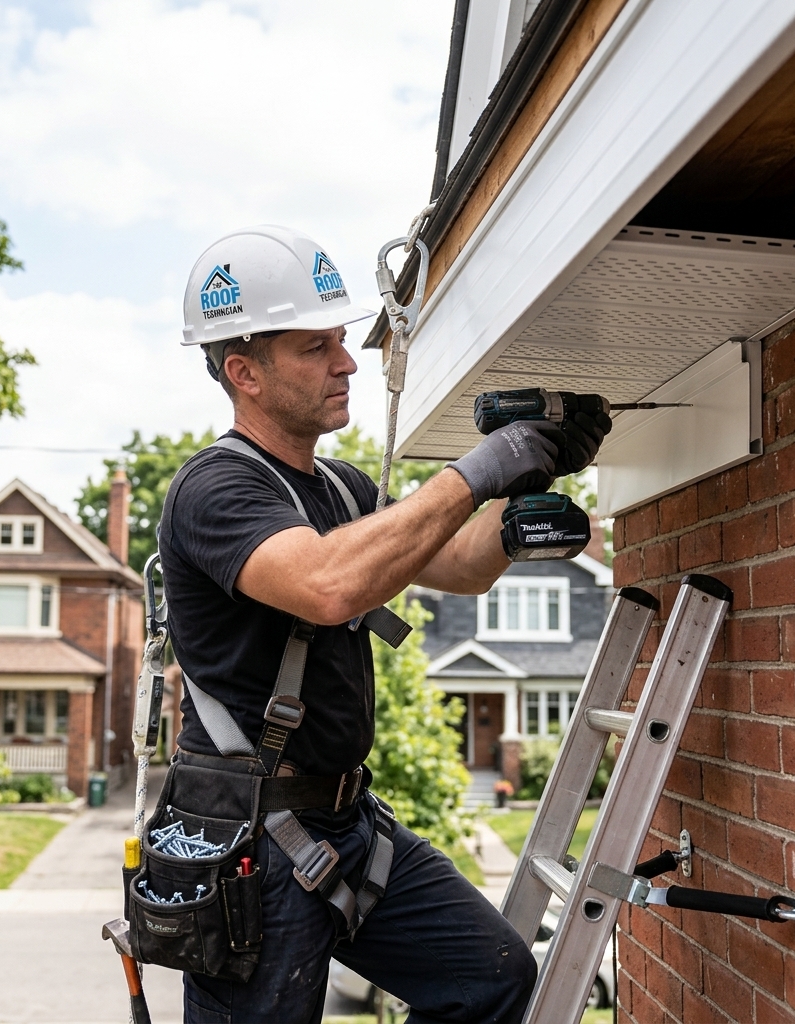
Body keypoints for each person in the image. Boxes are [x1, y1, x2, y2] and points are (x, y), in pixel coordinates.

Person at [158, 226, 611, 1023]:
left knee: (493, 976)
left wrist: (517, 498)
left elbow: (454, 563)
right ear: (244, 373)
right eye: (315, 347)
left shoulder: (338, 484)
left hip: (345, 822)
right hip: (252, 840)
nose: (346, 361)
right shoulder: (214, 490)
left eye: (340, 340)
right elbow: (329, 585)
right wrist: (477, 469)